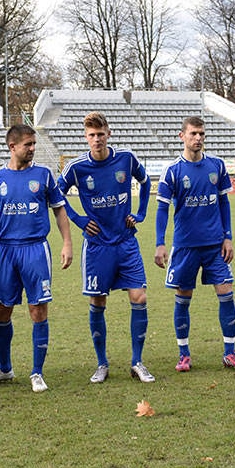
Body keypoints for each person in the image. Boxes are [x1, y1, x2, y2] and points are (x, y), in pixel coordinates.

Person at [58, 112, 154, 384]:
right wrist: (77, 219)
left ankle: (137, 362)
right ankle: (102, 364)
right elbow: (55, 193)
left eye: (101, 134)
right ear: (85, 137)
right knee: (97, 302)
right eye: (91, 135)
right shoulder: (77, 168)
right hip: (97, 246)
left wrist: (141, 212)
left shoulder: (126, 158)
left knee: (140, 297)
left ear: (108, 133)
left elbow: (146, 182)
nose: (97, 139)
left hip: (126, 241)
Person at [0, 124, 73, 392]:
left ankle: (37, 372)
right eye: (28, 144)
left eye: (34, 144)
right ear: (12, 147)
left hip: (35, 250)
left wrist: (67, 243)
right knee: (0, 310)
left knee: (38, 309)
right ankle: (5, 369)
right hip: (6, 250)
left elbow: (59, 210)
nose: (33, 149)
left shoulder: (43, 175)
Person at [154, 116, 235, 372]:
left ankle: (230, 352)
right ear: (181, 136)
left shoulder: (216, 166)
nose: (198, 138)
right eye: (193, 133)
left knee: (226, 294)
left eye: (202, 134)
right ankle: (184, 354)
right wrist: (160, 243)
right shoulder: (172, 170)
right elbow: (162, 208)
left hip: (215, 245)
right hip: (185, 247)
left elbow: (224, 203)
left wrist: (228, 236)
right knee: (183, 298)